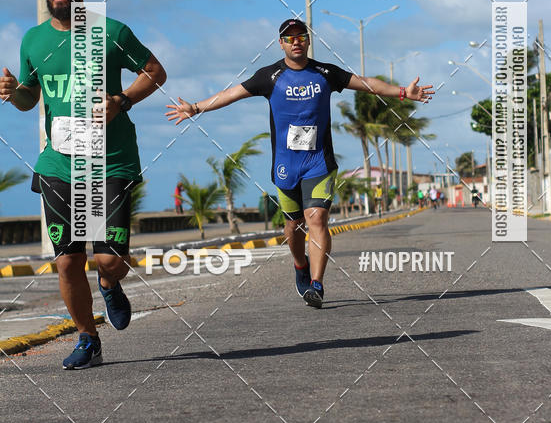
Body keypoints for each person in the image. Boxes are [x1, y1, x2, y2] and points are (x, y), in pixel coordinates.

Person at [166, 18, 433, 308]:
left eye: (300, 36)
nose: (295, 41)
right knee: (292, 229)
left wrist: (404, 93)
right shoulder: (269, 76)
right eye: (289, 37)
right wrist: (195, 107)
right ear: (281, 43)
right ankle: (300, 265)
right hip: (285, 165)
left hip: (319, 162)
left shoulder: (326, 73)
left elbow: (367, 84)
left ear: (307, 41)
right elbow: (230, 95)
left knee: (316, 218)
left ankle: (316, 285)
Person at [0, 0, 166, 370]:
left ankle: (110, 282)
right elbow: (28, 98)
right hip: (58, 163)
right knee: (68, 259)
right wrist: (10, 90)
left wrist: (122, 100)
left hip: (110, 160)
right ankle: (88, 338)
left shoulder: (109, 31)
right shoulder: (32, 40)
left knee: (108, 258)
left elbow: (155, 71)